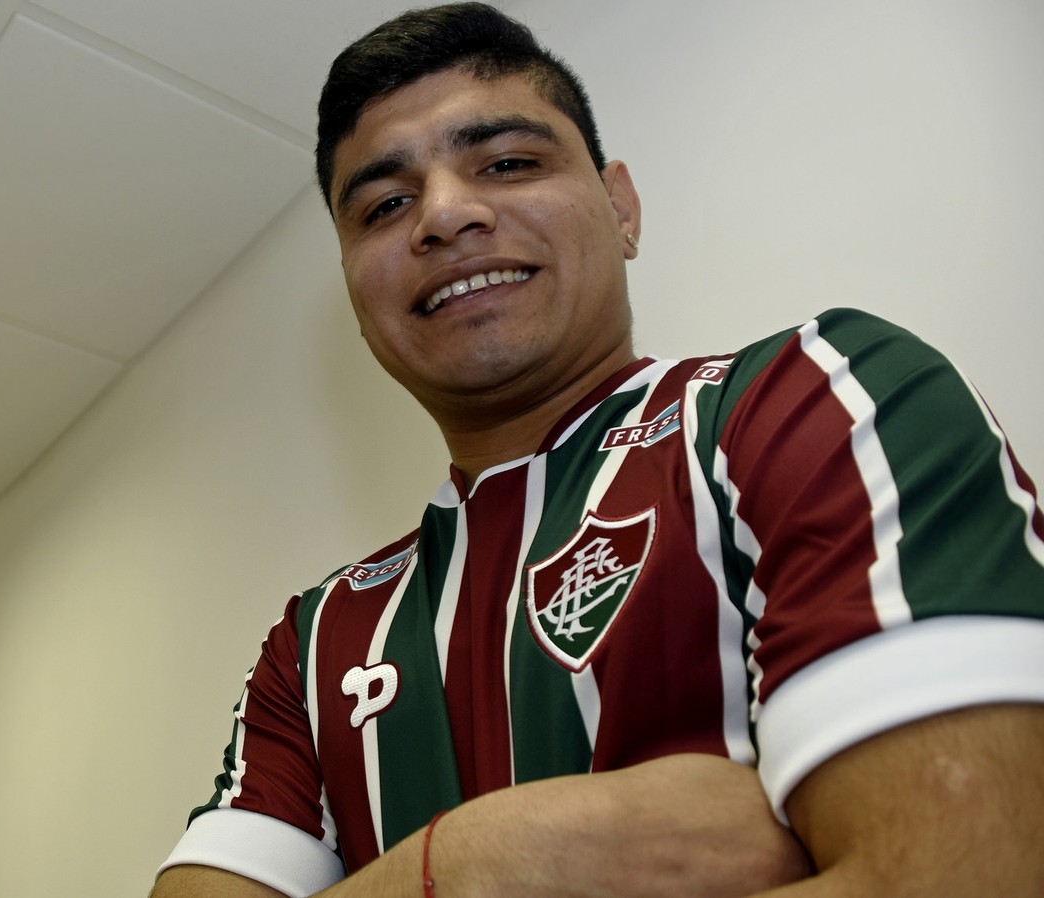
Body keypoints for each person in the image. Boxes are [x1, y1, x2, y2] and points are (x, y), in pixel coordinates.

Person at [150, 4, 1044, 896]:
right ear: (355, 289)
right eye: (386, 206)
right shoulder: (316, 643)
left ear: (621, 208)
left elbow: (969, 871)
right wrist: (468, 864)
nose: (445, 216)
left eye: (508, 163)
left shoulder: (813, 398)